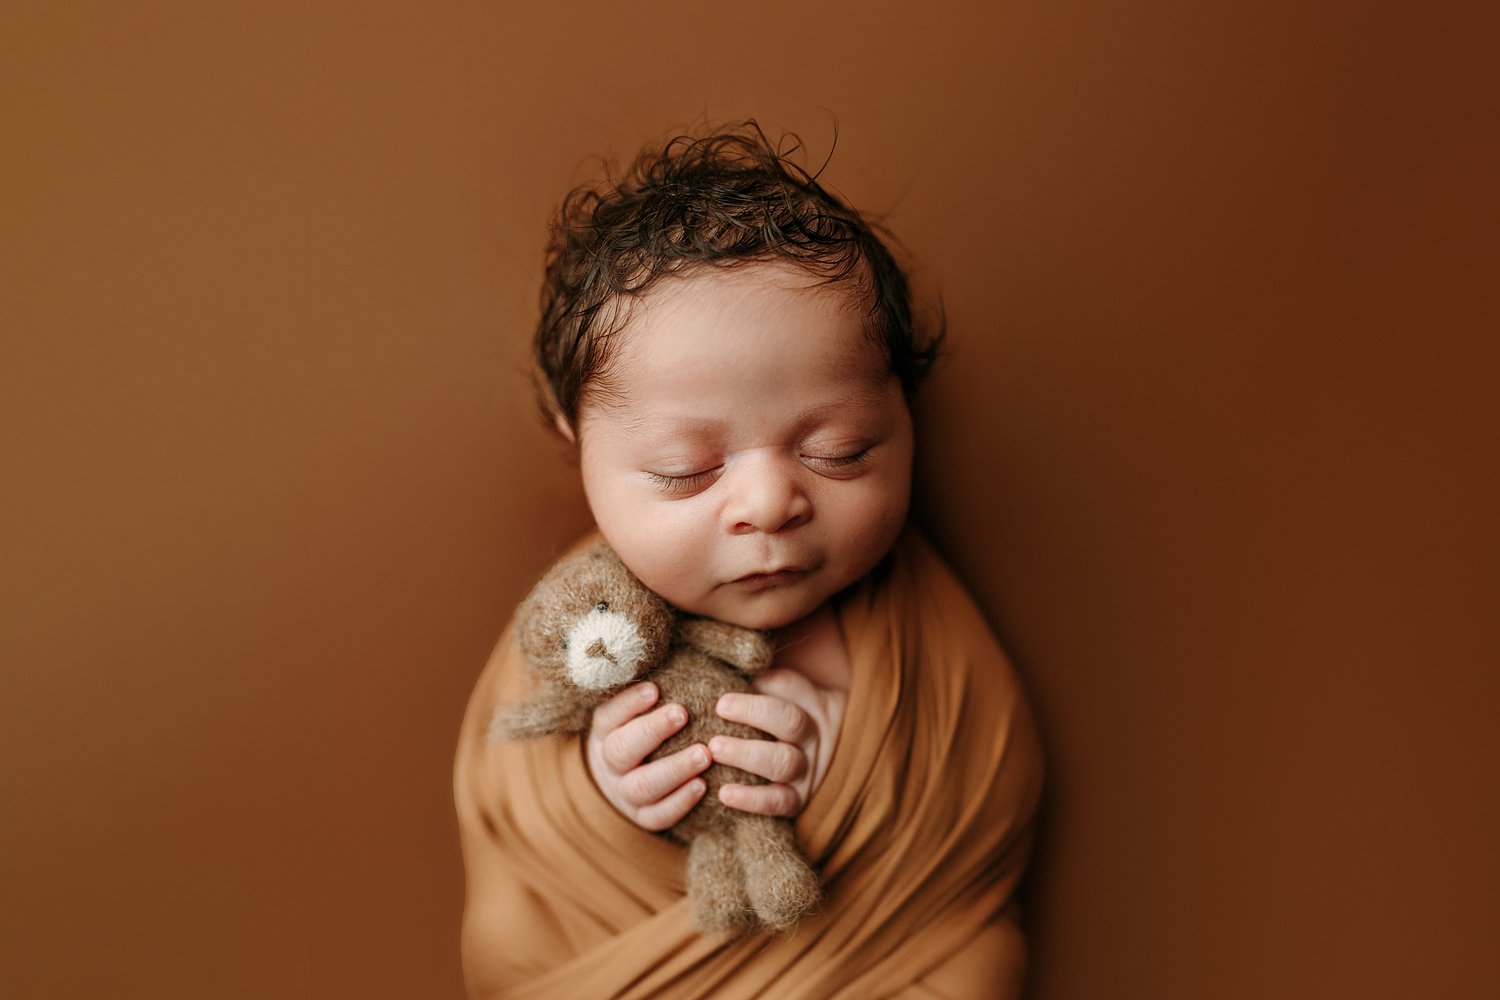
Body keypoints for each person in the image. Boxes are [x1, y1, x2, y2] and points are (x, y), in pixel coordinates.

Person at [453, 122, 1044, 999]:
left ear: (905, 415)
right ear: (577, 441)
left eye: (842, 450)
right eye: (686, 471)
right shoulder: (574, 626)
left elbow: (981, 806)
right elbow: (523, 833)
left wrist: (851, 769)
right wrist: (608, 794)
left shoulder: (924, 636)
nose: (769, 505)